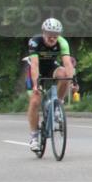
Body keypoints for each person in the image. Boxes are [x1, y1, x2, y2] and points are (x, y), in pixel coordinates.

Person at [26, 18, 75, 152]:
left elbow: (67, 63)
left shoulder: (62, 42)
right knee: (35, 101)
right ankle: (34, 137)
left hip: (51, 67)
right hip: (35, 70)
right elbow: (35, 65)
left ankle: (57, 104)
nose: (52, 39)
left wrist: (72, 81)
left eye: (55, 36)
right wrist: (36, 85)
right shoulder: (35, 41)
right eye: (49, 35)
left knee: (64, 74)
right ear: (43, 32)